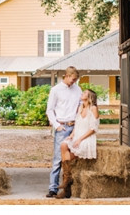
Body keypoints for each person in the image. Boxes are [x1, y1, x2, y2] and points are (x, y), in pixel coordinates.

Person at [55, 89, 99, 199]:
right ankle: (67, 179)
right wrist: (72, 135)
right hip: (77, 135)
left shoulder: (93, 108)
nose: (82, 94)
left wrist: (79, 139)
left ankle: (67, 186)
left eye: (84, 93)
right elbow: (77, 124)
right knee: (63, 145)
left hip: (87, 137)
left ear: (89, 97)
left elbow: (93, 128)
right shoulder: (80, 107)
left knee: (67, 157)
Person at [45, 66, 82, 198]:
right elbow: (49, 109)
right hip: (62, 127)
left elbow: (80, 107)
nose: (74, 82)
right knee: (57, 159)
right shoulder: (55, 90)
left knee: (74, 156)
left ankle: (68, 187)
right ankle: (53, 188)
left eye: (76, 80)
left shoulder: (78, 89)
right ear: (66, 75)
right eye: (73, 79)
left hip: (75, 127)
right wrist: (57, 126)